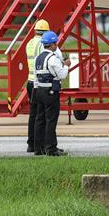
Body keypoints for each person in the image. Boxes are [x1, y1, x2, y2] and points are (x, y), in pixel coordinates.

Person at [32, 30, 70, 156]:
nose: (57, 45)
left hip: (39, 91)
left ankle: (38, 148)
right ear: (52, 44)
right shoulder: (52, 58)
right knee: (51, 120)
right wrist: (66, 65)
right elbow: (62, 75)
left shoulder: (38, 58)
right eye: (55, 43)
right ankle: (51, 148)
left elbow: (36, 76)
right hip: (50, 92)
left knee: (39, 119)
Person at [26, 19, 51, 153]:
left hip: (29, 81)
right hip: (38, 82)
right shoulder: (42, 44)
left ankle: (31, 143)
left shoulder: (29, 43)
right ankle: (39, 144)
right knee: (41, 115)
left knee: (33, 114)